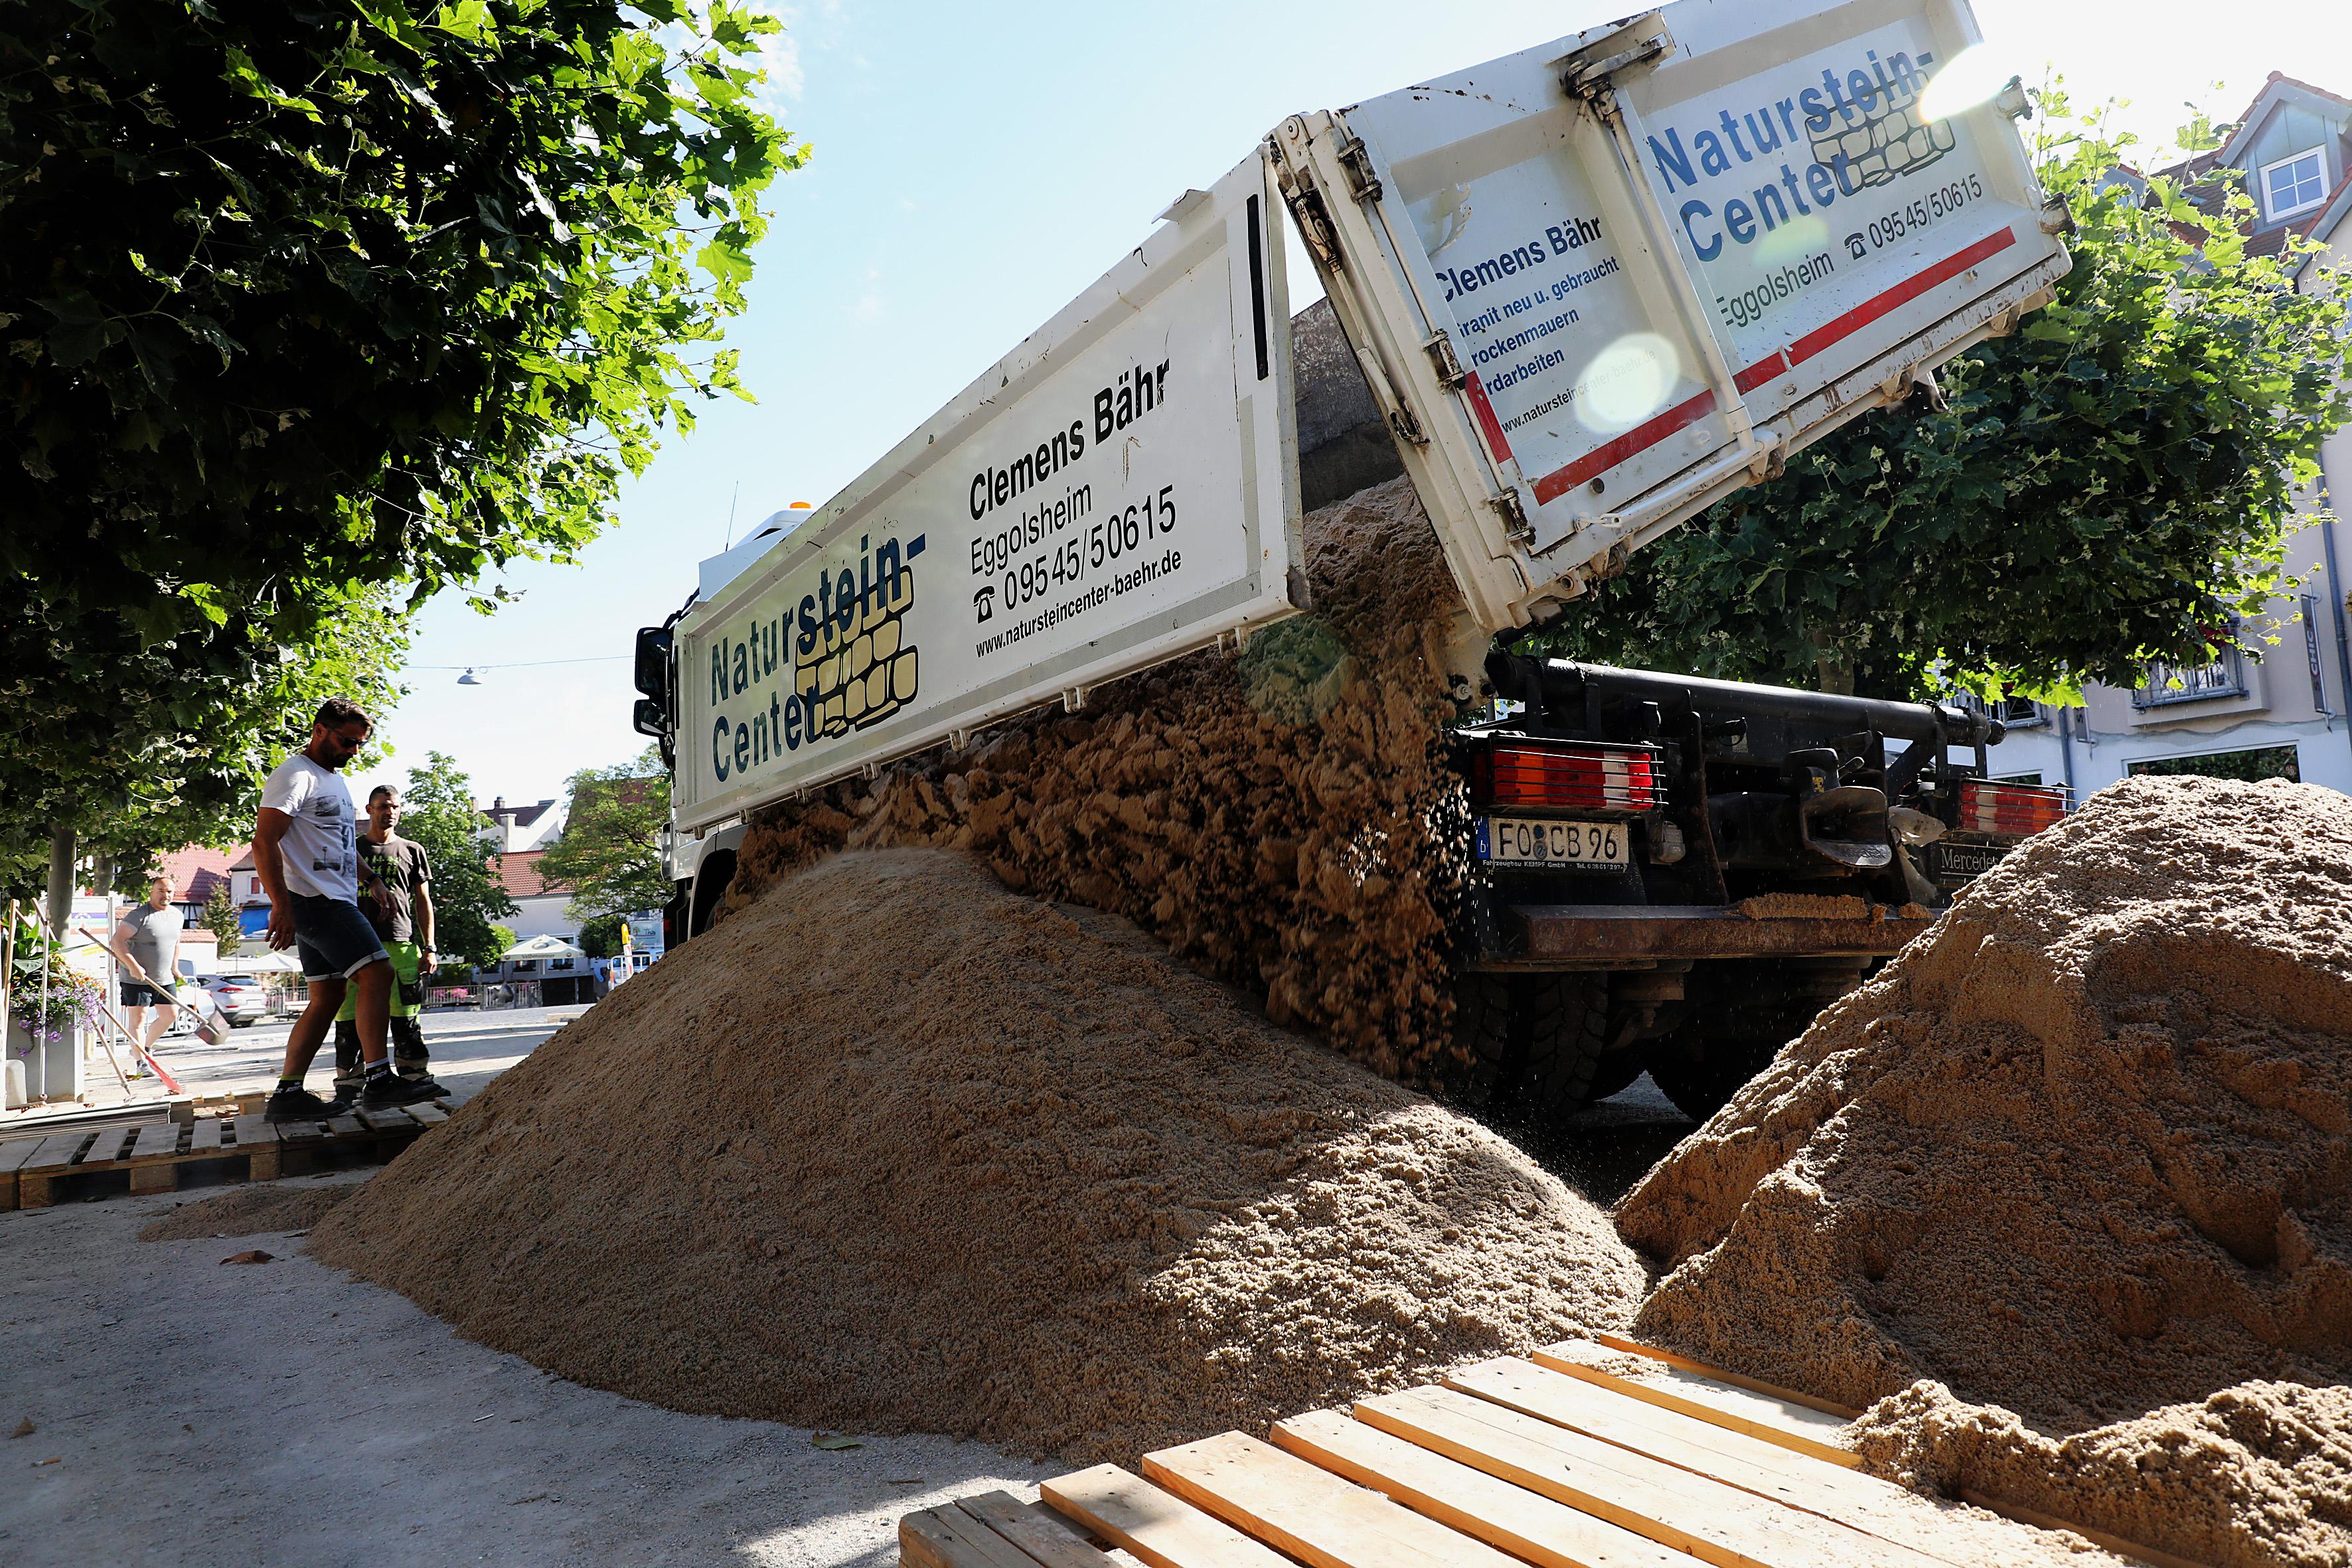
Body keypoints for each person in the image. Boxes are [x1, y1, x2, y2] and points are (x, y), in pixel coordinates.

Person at [250, 698, 437, 1120]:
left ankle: (288, 1094)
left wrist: (372, 880)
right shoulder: (295, 775)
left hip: (334, 896)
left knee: (328, 996)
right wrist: (281, 905)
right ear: (319, 730)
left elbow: (338, 846)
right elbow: (264, 842)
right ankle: (378, 1079)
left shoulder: (332, 781)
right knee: (379, 974)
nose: (354, 751)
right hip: (316, 900)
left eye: (360, 744)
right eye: (348, 741)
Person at [329, 785, 447, 1103]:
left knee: (406, 1016)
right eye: (382, 806)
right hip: (355, 945)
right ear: (369, 810)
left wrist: (430, 946)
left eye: (394, 806)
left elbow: (424, 901)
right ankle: (349, 1085)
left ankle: (415, 1077)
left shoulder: (412, 850)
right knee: (349, 1019)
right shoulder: (351, 849)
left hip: (400, 943)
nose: (389, 812)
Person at [110, 875, 181, 1062]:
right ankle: (141, 1062)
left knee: (170, 1015)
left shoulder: (177, 915)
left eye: (169, 891)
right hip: (136, 978)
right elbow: (117, 941)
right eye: (161, 891)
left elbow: (176, 942)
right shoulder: (138, 915)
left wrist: (175, 967)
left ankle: (145, 1048)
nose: (165, 895)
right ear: (152, 892)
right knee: (138, 1019)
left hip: (164, 978)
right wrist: (133, 966)